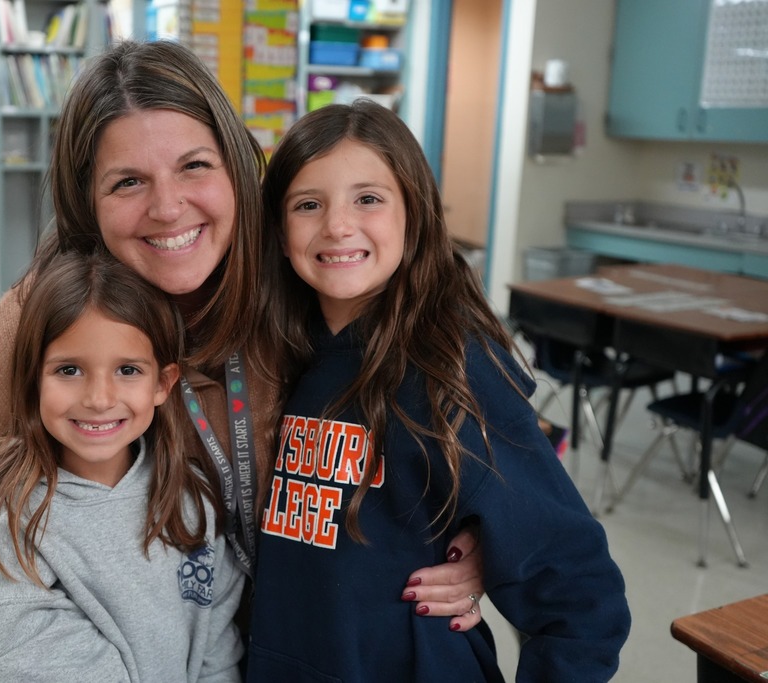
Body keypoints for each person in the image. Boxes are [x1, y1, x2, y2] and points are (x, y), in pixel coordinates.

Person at [0, 39, 486, 642]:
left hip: (317, 647)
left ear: (237, 168)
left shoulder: (305, 277)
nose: (168, 208)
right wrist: (24, 647)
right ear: (88, 202)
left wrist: (477, 541)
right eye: (128, 182)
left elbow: (446, 419)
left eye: (194, 166)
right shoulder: (41, 318)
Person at [245, 100, 631, 682]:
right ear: (278, 233)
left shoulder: (451, 367)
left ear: (415, 215)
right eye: (308, 204)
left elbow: (578, 591)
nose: (338, 225)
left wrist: (493, 553)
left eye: (368, 199)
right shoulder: (277, 357)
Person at [0, 251, 245, 681]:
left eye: (127, 370)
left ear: (163, 384)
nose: (99, 399)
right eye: (69, 370)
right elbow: (31, 660)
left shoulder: (192, 499)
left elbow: (218, 649)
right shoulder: (6, 506)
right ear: (32, 379)